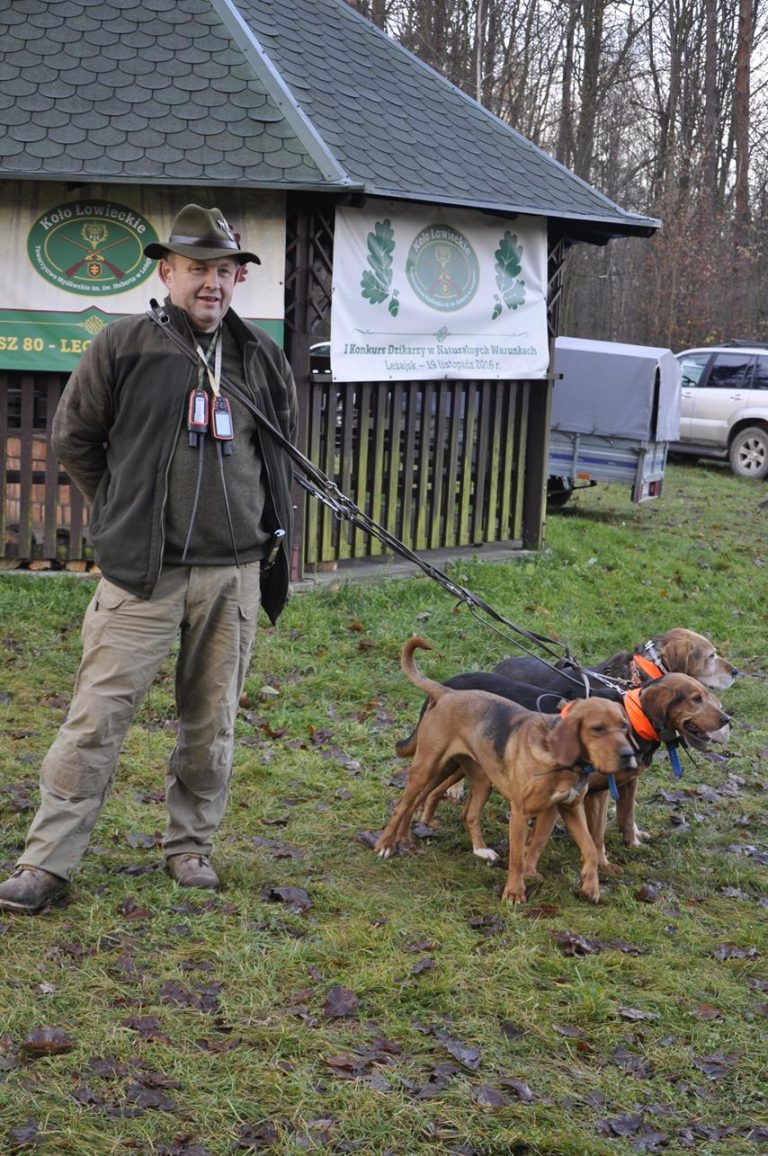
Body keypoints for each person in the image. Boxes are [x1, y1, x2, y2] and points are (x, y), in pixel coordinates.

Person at [0, 204, 297, 914]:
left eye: (225, 271)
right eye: (198, 269)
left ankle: (190, 847)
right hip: (143, 573)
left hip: (234, 573)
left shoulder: (259, 356)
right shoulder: (122, 346)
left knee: (212, 718)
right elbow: (74, 439)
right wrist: (121, 511)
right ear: (167, 272)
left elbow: (277, 456)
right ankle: (46, 862)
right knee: (96, 716)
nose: (213, 284)